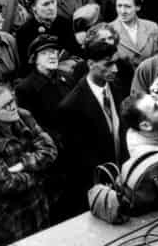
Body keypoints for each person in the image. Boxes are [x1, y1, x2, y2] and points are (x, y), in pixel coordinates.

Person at [0, 84, 57, 246]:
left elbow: (50, 150)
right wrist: (40, 173)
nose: (13, 107)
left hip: (35, 208)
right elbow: (6, 183)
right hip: (3, 218)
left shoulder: (24, 116)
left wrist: (23, 164)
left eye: (12, 101)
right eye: (5, 106)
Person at [56, 38, 124, 214]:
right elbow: (78, 161)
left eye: (115, 63)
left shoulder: (116, 88)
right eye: (108, 64)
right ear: (91, 64)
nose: (115, 69)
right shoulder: (71, 106)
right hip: (98, 189)